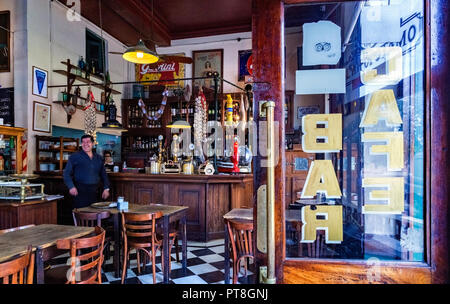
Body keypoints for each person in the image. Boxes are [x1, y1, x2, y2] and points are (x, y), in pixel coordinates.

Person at [63, 134, 110, 208]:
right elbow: (66, 174)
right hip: (80, 191)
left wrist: (106, 188)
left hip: (95, 191)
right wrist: (71, 187)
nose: (85, 144)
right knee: (81, 214)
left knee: (95, 214)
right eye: (83, 142)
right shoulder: (74, 157)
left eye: (88, 142)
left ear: (93, 143)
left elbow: (104, 175)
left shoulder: (99, 158)